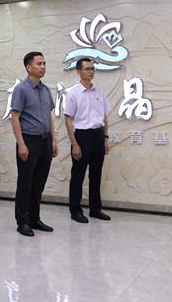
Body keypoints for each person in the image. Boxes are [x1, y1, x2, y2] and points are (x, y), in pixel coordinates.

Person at [8, 51, 58, 237]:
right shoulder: (21, 89)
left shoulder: (45, 89)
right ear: (29, 67)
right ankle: (22, 221)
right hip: (29, 140)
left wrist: (53, 139)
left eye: (44, 63)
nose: (43, 67)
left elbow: (49, 116)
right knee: (25, 183)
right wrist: (21, 144)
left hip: (45, 141)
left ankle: (34, 218)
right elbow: (15, 117)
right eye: (39, 63)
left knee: (39, 183)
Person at [64, 58, 112, 223]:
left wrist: (105, 138)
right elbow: (68, 119)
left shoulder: (100, 92)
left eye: (92, 69)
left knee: (96, 174)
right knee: (78, 175)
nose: (91, 72)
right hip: (82, 137)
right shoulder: (73, 93)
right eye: (87, 69)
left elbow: (104, 117)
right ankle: (75, 210)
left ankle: (95, 209)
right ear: (79, 72)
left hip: (98, 136)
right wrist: (74, 144)